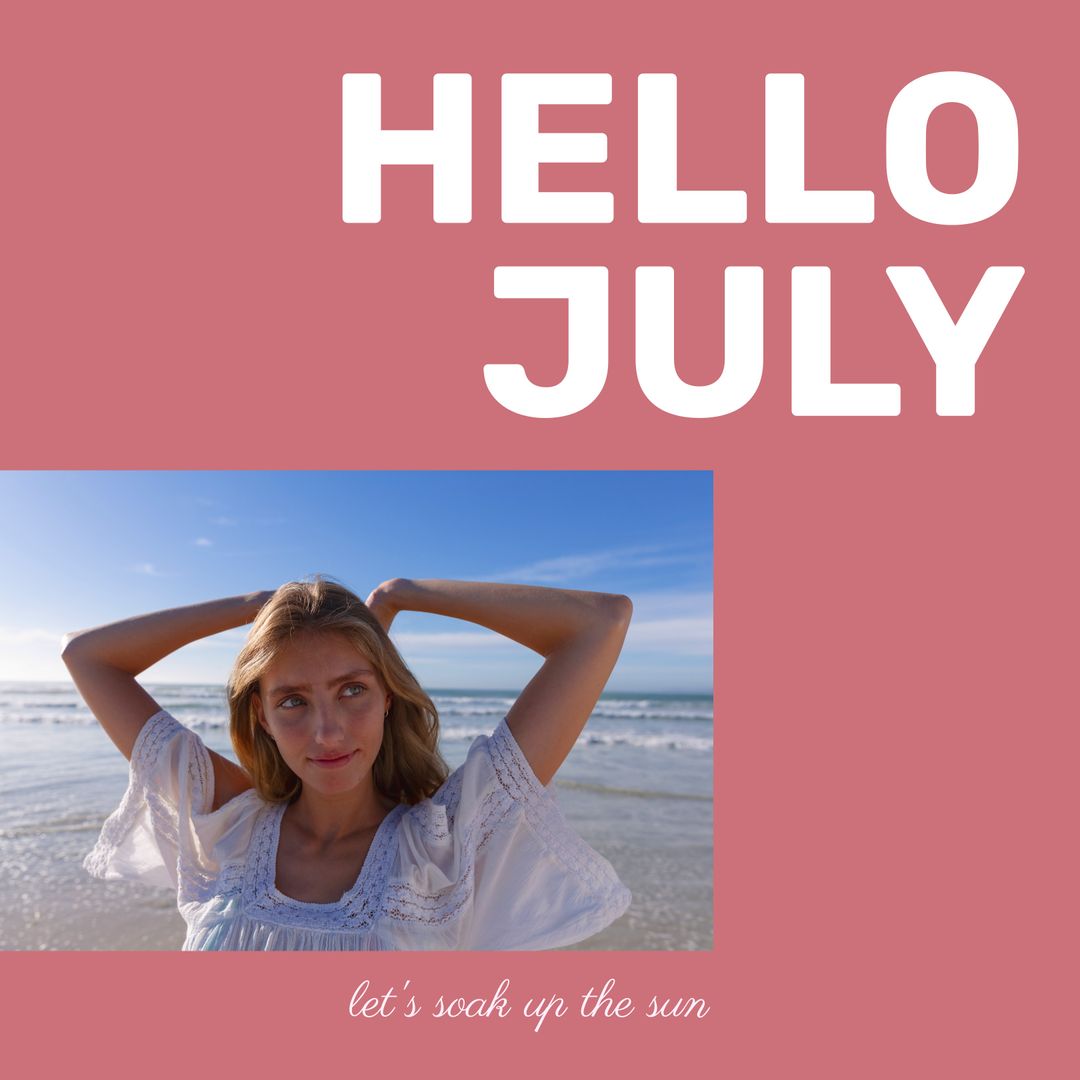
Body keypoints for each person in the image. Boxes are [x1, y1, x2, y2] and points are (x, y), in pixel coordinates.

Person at [62, 577, 633, 950]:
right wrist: (256, 608)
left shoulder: (441, 847)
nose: (326, 730)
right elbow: (87, 657)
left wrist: (404, 594)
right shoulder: (226, 824)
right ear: (260, 715)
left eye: (353, 690)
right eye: (293, 701)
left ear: (389, 695)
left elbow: (600, 623)